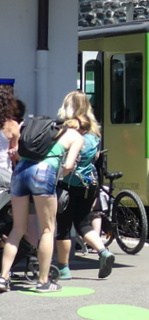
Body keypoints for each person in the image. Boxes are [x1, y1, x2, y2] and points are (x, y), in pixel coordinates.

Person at [1, 97, 82, 293]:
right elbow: (69, 165)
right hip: (44, 173)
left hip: (20, 172)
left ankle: (2, 278)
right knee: (47, 229)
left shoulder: (43, 131)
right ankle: (43, 281)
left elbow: (19, 154)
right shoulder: (76, 136)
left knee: (18, 229)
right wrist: (57, 176)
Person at [52, 91, 113, 280]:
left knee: (63, 227)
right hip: (89, 185)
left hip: (67, 185)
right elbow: (95, 159)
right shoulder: (94, 132)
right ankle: (103, 252)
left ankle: (63, 269)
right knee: (83, 223)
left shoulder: (66, 130)